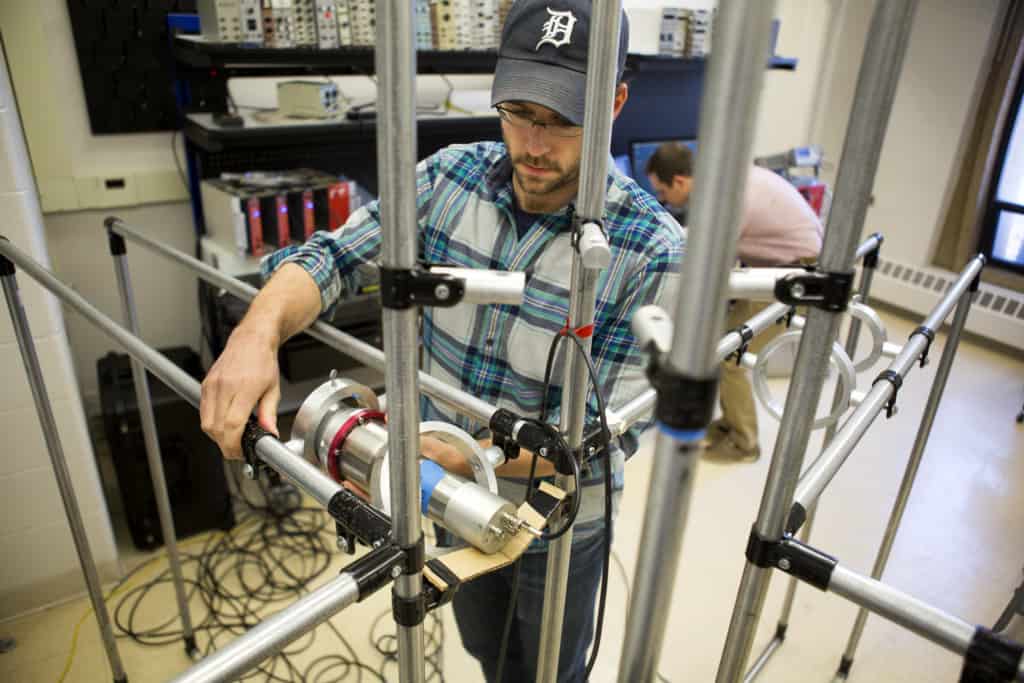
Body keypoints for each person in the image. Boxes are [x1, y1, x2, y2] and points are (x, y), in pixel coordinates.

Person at [199, 1, 685, 680]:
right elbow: (336, 257)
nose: (535, 145)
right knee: (488, 651)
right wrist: (257, 333)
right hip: (452, 501)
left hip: (555, 522)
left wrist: (458, 455)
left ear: (615, 103)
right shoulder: (446, 178)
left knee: (549, 669)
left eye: (563, 121)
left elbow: (603, 437)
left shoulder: (651, 249)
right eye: (519, 111)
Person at [646, 141, 822, 462]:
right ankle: (729, 424)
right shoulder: (724, 180)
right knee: (723, 346)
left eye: (662, 192)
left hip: (795, 274)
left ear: (680, 182)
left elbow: (710, 257)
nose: (662, 200)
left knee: (729, 355)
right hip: (778, 267)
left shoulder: (722, 198)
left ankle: (744, 444)